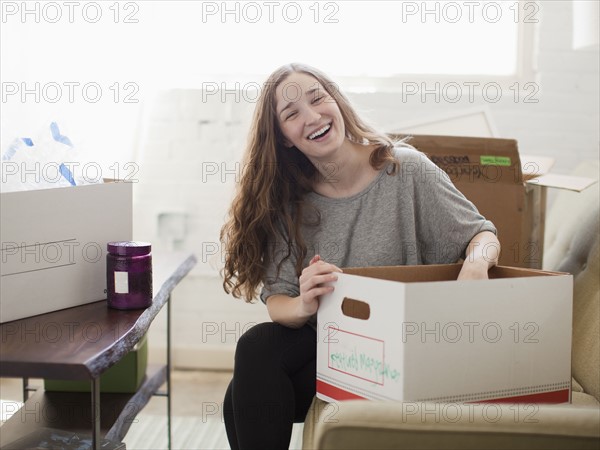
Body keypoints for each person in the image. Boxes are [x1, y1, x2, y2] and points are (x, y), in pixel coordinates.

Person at [220, 63, 500, 449]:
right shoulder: (291, 202)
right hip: (335, 346)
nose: (313, 116)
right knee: (254, 356)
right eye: (292, 113)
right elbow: (278, 301)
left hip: (399, 348)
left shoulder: (405, 169)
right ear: (284, 138)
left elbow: (482, 233)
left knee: (241, 389)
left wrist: (475, 264)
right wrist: (304, 303)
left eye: (318, 98)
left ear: (336, 100)